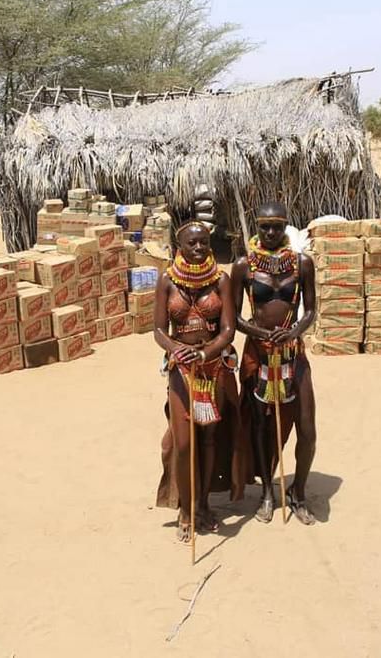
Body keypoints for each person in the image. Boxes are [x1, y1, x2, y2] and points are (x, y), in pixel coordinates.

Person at [154, 221, 245, 541]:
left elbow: (228, 330)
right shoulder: (167, 280)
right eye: (192, 243)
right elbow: (159, 331)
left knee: (208, 440)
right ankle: (186, 508)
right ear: (180, 246)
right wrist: (177, 350)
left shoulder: (221, 279)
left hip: (213, 368)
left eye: (204, 243)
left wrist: (205, 355)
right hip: (181, 370)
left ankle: (204, 504)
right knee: (183, 443)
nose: (198, 248)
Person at [231, 202, 318, 525]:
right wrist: (259, 331)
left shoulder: (301, 264)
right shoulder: (243, 266)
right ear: (256, 227)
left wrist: (293, 331)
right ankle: (268, 491)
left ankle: (299, 491)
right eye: (264, 226)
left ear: (286, 227)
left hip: (293, 352)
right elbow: (235, 317)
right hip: (259, 353)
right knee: (261, 424)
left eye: (276, 227)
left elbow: (309, 310)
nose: (270, 233)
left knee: (307, 428)